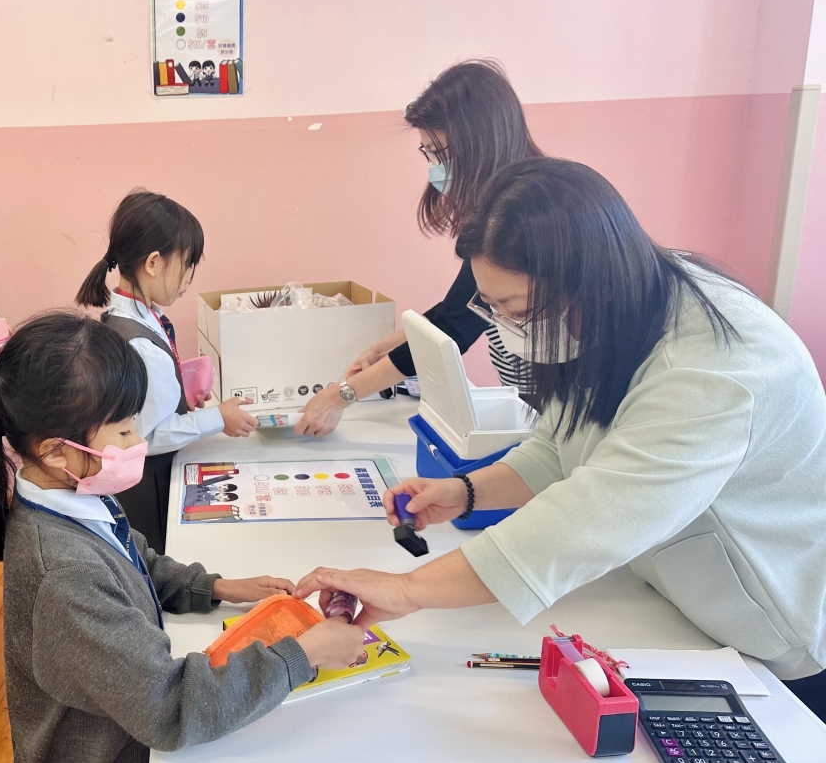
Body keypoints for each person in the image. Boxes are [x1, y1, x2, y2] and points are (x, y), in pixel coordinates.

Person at [296, 158, 826, 722]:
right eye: (492, 306)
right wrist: (466, 491)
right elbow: (561, 444)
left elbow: (591, 517)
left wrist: (409, 589)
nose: (504, 324)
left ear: (591, 284)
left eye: (516, 309)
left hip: (773, 633)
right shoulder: (619, 310)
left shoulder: (712, 371)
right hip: (682, 600)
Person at [0, 312, 366, 763]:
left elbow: (134, 558)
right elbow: (169, 707)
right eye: (124, 430)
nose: (137, 441)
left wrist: (215, 587)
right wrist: (304, 655)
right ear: (57, 450)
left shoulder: (70, 493)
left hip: (121, 759)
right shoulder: (65, 573)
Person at [297, 60, 541, 437]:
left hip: (564, 400)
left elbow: (454, 329)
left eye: (440, 152)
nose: (434, 166)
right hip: (536, 402)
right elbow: (461, 308)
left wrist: (342, 395)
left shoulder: (524, 214)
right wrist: (388, 345)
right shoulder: (504, 202)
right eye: (427, 153)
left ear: (481, 143)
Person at [76, 190, 256, 553]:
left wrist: (178, 394)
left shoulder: (131, 316)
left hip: (146, 479)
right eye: (187, 265)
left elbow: (142, 403)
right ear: (154, 263)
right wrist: (218, 418)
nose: (189, 278)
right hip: (150, 486)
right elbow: (148, 436)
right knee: (159, 557)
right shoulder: (139, 342)